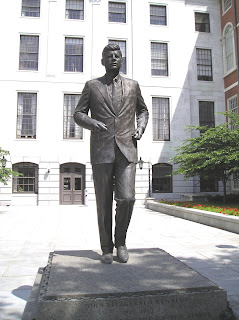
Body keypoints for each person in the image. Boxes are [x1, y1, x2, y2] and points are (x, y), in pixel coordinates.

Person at [74, 44, 148, 264]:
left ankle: (121, 242)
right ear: (102, 61)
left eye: (117, 56)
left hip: (127, 148)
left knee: (127, 198)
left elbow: (142, 110)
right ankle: (106, 247)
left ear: (121, 60)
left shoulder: (133, 86)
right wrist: (91, 122)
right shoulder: (92, 86)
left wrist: (140, 127)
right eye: (109, 56)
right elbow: (78, 113)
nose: (114, 58)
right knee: (103, 201)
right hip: (101, 148)